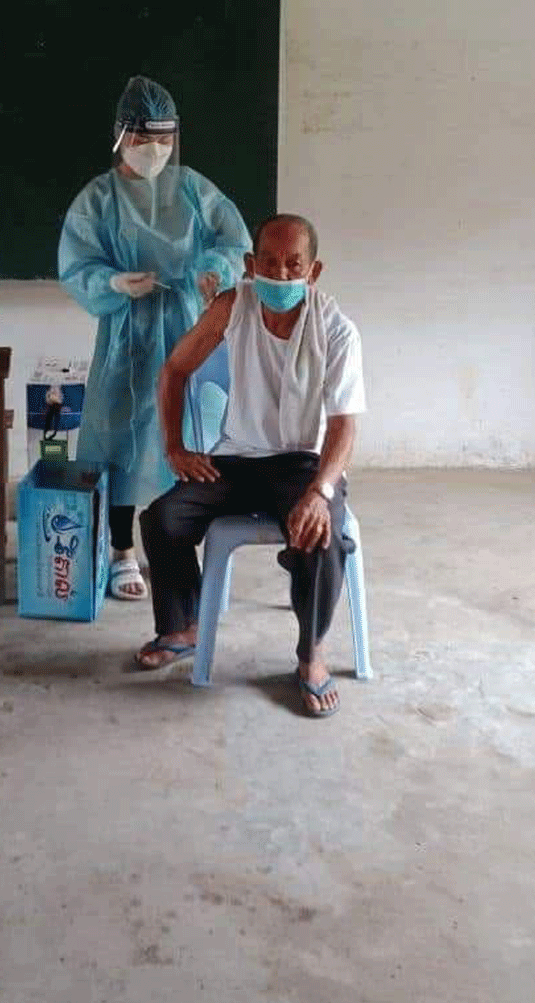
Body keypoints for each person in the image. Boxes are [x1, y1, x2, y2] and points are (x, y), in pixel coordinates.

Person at [137, 213, 366, 719]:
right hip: (238, 458)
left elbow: (344, 427)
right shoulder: (232, 306)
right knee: (162, 518)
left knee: (321, 536)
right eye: (269, 262)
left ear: (314, 271)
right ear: (249, 264)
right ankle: (183, 628)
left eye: (294, 265)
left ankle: (311, 655)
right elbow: (174, 369)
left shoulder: (336, 329)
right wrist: (175, 447)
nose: (280, 274)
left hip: (304, 464)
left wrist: (320, 491)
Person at [58, 74, 251, 600]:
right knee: (119, 439)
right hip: (127, 332)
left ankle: (185, 547)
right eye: (145, 139)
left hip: (188, 325)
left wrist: (213, 269)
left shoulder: (192, 189)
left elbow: (234, 240)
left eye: (165, 139)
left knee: (194, 434)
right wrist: (114, 282)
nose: (156, 150)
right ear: (122, 135)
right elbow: (77, 264)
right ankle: (122, 552)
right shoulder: (99, 199)